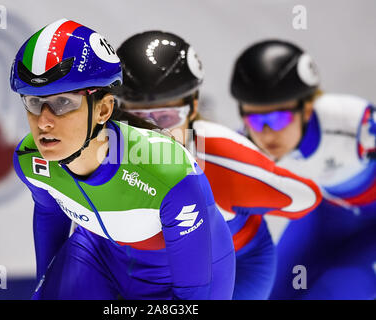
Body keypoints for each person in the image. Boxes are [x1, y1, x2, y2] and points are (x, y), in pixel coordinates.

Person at [10, 19, 236, 300]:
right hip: (102, 257)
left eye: (63, 102)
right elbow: (49, 212)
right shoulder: (29, 160)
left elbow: (193, 296)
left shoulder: (168, 171)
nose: (44, 121)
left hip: (190, 278)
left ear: (104, 109)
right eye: (33, 102)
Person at [117, 31, 322, 300]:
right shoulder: (107, 143)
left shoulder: (223, 159)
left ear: (192, 108)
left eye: (165, 117)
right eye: (135, 118)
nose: (151, 132)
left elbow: (306, 197)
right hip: (150, 265)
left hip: (235, 267)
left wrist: (242, 199)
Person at [230, 39, 376, 299]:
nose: (266, 134)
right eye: (254, 119)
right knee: (273, 293)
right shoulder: (247, 144)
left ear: (307, 109)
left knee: (345, 285)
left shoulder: (354, 125)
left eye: (278, 119)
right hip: (326, 217)